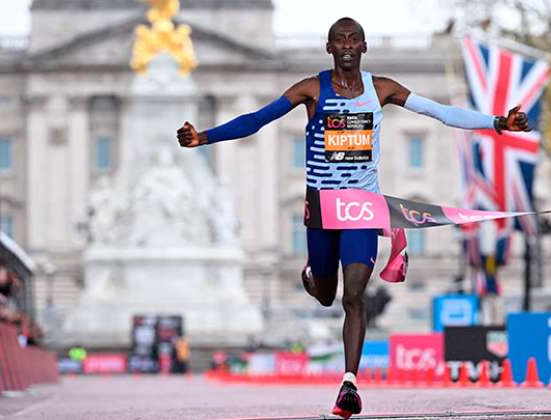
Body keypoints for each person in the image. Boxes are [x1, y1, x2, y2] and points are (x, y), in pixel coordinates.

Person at [177, 17, 530, 418]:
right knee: (326, 293)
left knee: (355, 294)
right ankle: (312, 275)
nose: (346, 45)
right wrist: (204, 137)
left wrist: (498, 123)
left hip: (362, 204)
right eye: (339, 40)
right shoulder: (311, 89)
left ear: (363, 48)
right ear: (330, 48)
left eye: (354, 39)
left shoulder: (382, 90)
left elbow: (440, 112)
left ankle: (349, 383)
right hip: (322, 207)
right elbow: (257, 120)